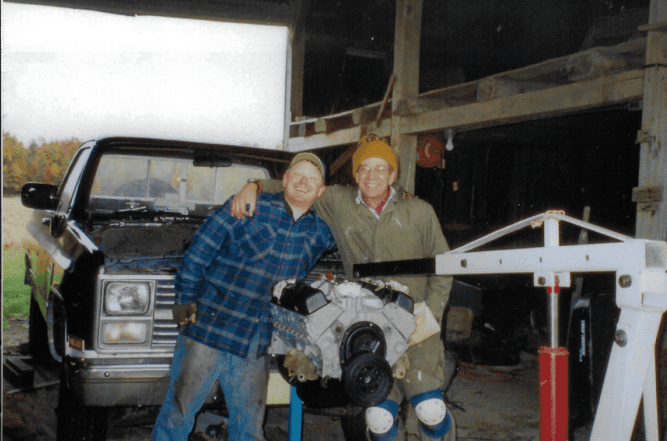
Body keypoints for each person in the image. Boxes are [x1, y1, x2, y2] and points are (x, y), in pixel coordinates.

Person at [231, 135, 456, 441]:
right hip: (370, 327)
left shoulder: (419, 211)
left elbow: (444, 267)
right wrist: (254, 185)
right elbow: (299, 187)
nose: (372, 175)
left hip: (417, 320)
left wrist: (433, 313)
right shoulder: (338, 202)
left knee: (430, 409)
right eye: (365, 168)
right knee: (377, 418)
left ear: (393, 174)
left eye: (381, 168)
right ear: (355, 173)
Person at [151, 152, 336, 441]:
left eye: (312, 179)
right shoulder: (249, 203)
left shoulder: (321, 233)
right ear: (284, 180)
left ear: (321, 191)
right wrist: (184, 297)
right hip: (207, 329)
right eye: (297, 175)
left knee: (249, 430)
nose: (303, 182)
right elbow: (202, 246)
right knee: (178, 413)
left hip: (254, 342)